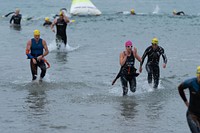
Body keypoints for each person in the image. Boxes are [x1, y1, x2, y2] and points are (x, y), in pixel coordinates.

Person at [178, 66, 200, 133]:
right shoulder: (191, 82)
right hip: (192, 115)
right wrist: (186, 102)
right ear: (197, 76)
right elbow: (180, 88)